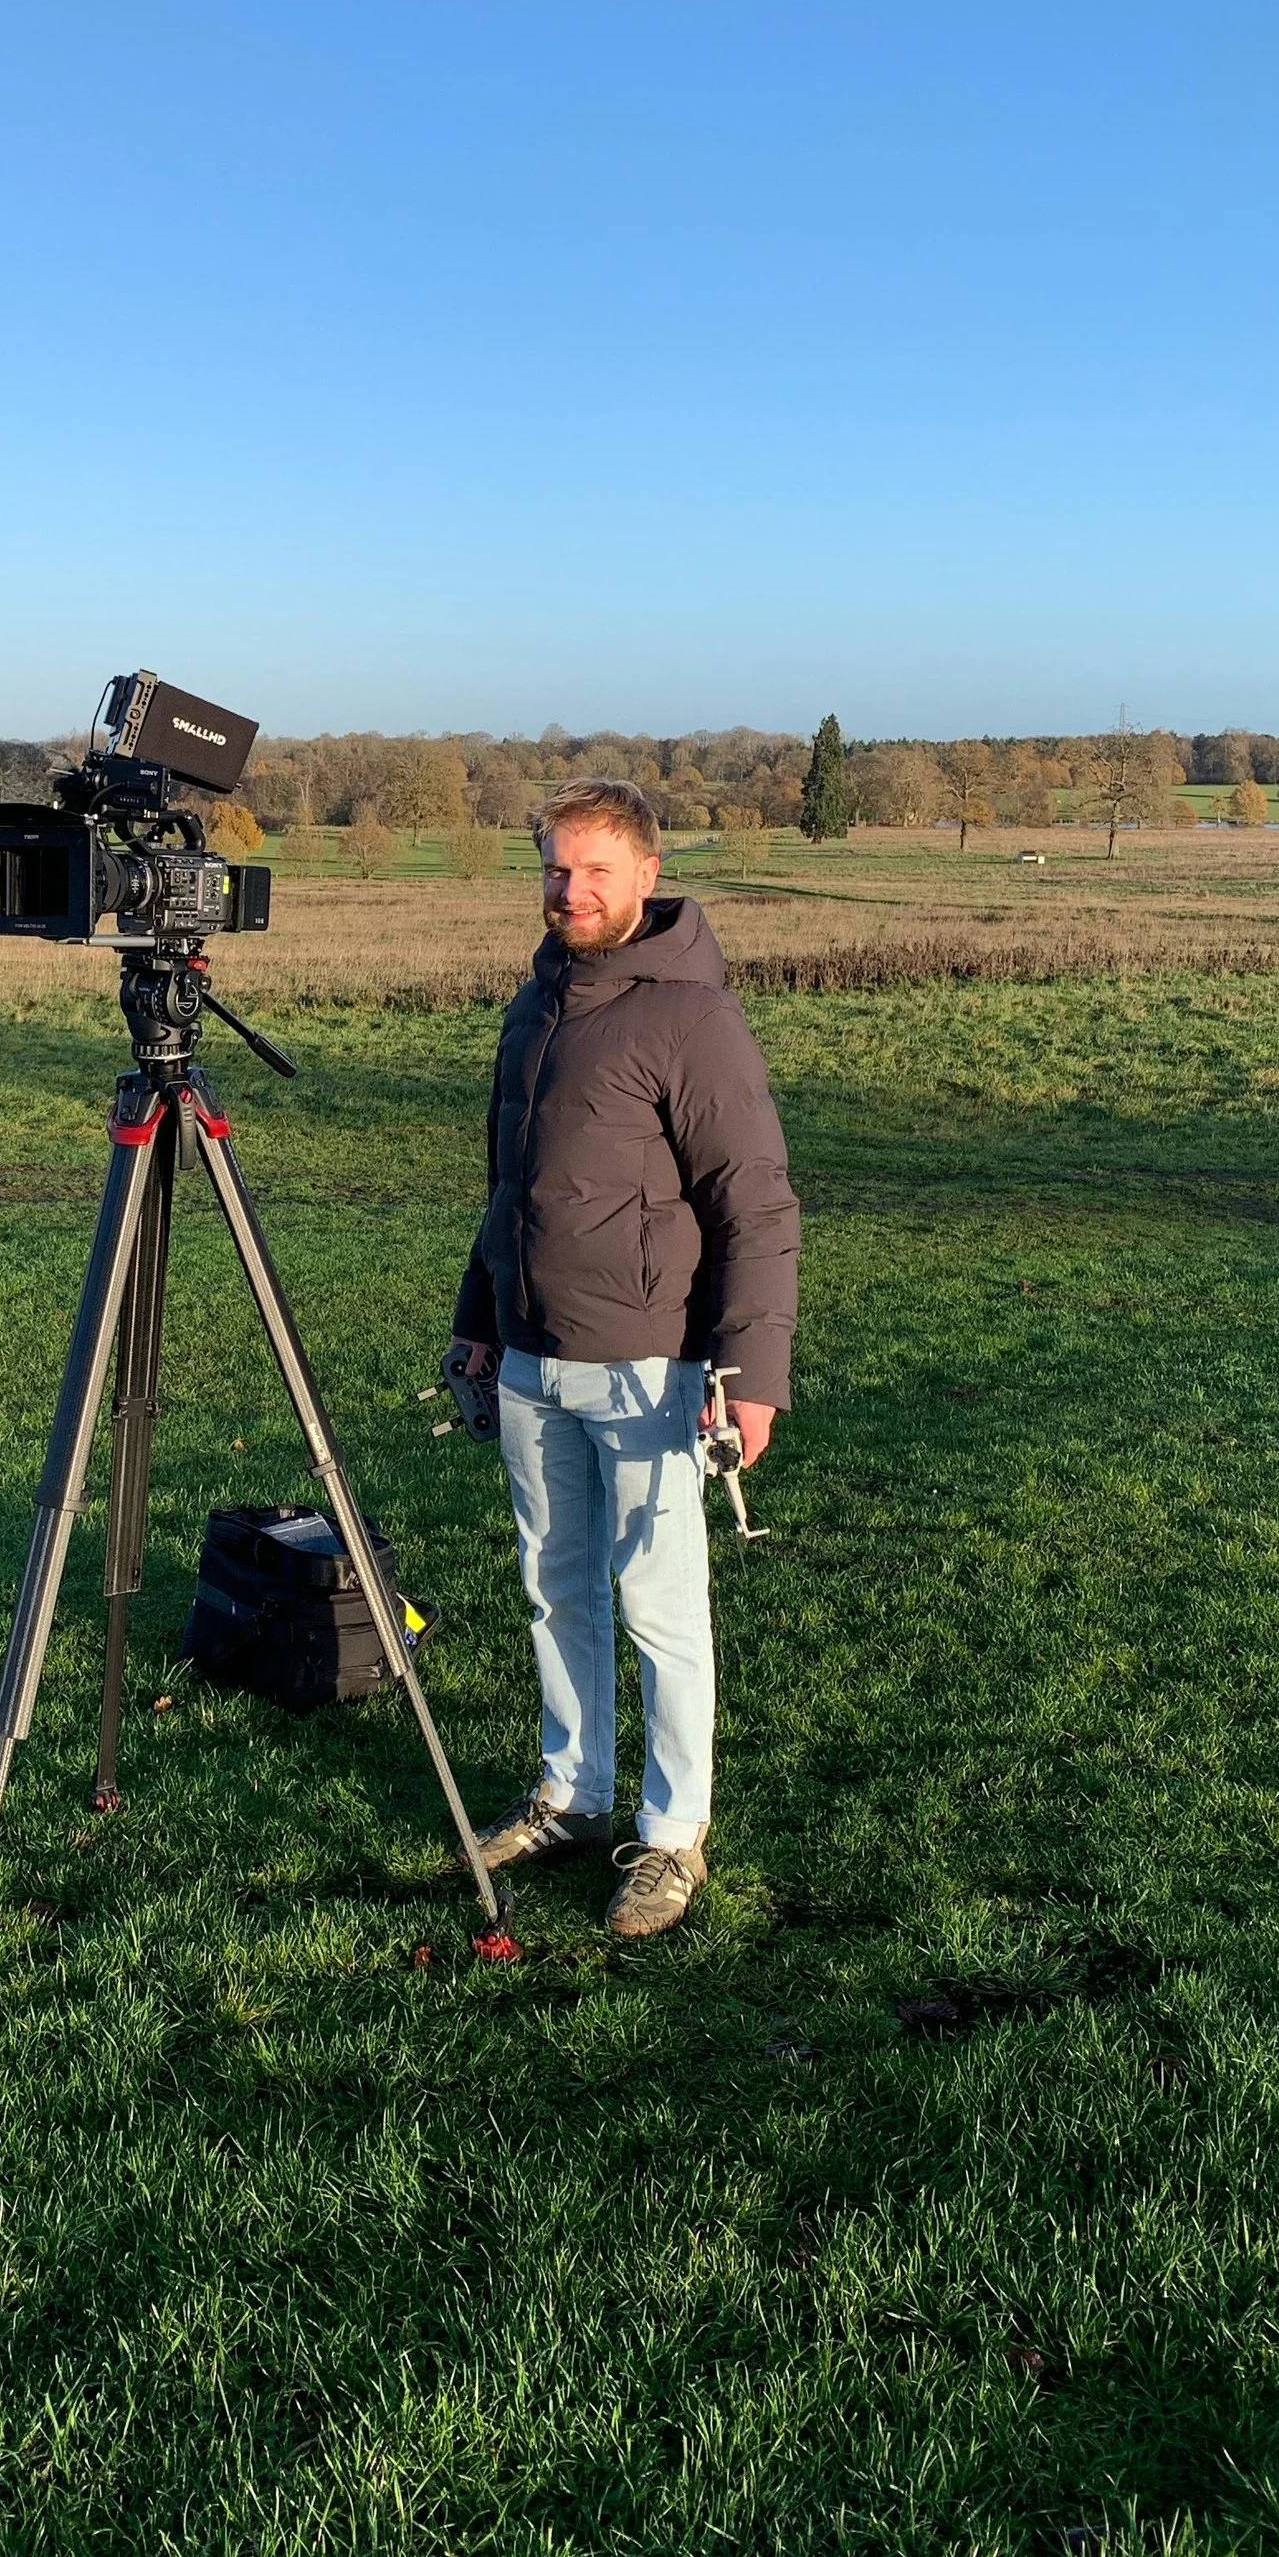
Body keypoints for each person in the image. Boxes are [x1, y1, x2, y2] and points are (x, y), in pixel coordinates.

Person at [448, 777, 800, 1939]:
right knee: (555, 1587)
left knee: (658, 1604)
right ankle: (571, 1793)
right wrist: (478, 1317)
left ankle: (669, 1836)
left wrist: (750, 1371)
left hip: (650, 1362)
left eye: (595, 871)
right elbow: (510, 1186)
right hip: (533, 1354)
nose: (571, 890)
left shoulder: (691, 1017)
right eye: (555, 867)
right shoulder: (537, 1000)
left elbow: (753, 1200)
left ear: (647, 876)